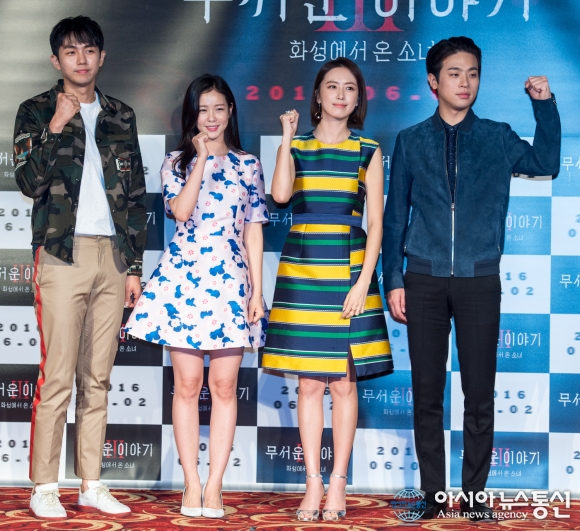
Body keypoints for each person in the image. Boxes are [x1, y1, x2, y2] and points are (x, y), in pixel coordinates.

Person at [382, 37, 560, 522]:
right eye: (455, 73)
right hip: (422, 279)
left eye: (473, 73)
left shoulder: (498, 136)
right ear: (433, 81)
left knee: (479, 395)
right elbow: (395, 218)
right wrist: (393, 278)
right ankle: (433, 496)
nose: (465, 82)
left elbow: (546, 164)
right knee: (427, 394)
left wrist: (544, 105)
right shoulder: (411, 140)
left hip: (480, 280)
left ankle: (476, 497)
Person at [13, 16, 147, 520]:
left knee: (98, 378)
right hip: (60, 253)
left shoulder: (120, 114)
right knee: (57, 377)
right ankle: (44, 485)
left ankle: (91, 483)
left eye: (89, 50)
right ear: (56, 60)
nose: (81, 59)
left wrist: (133, 266)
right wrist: (55, 125)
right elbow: (28, 183)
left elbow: (135, 196)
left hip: (112, 256)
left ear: (102, 57)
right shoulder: (35, 110)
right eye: (71, 51)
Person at [125, 74, 268, 518]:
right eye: (203, 110)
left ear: (231, 112)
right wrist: (201, 160)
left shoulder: (248, 164)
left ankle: (215, 486)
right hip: (184, 282)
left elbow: (254, 231)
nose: (211, 118)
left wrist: (257, 291)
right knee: (187, 385)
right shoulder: (176, 163)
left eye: (219, 109)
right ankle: (191, 482)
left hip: (230, 283)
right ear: (192, 114)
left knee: (224, 387)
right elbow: (181, 211)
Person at [261, 57, 393, 522]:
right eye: (332, 87)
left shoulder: (368, 149)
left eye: (349, 88)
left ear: (358, 99)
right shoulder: (296, 145)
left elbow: (377, 223)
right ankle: (312, 483)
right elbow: (280, 196)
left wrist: (364, 281)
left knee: (343, 383)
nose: (340, 94)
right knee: (309, 384)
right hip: (302, 270)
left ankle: (338, 482)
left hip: (350, 268)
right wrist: (285, 140)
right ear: (317, 95)